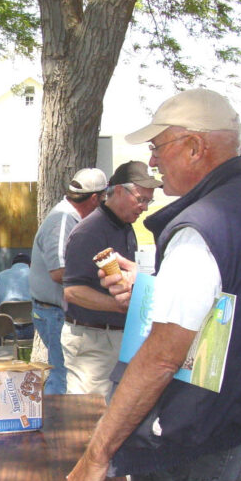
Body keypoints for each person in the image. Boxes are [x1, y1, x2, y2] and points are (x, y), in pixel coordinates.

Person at [66, 88, 241, 481]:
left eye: (159, 146)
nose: (153, 161)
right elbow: (238, 302)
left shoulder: (200, 229)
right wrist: (152, 286)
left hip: (183, 441)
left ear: (197, 147)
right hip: (236, 429)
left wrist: (96, 457)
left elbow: (161, 356)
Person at [61, 162, 161, 398]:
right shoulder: (90, 231)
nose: (144, 208)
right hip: (93, 342)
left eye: (148, 201)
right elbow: (72, 291)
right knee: (88, 419)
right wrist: (119, 305)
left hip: (118, 337)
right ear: (118, 191)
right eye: (140, 199)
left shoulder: (125, 226)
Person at [29, 168, 107, 395]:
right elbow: (59, 272)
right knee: (62, 376)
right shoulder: (63, 219)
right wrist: (101, 277)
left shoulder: (70, 217)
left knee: (66, 373)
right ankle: (55, 427)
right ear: (94, 198)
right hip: (54, 312)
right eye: (103, 198)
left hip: (55, 310)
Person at [0, 253, 33, 339]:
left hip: (6, 330)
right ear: (30, 264)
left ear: (12, 265)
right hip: (33, 329)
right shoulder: (36, 276)